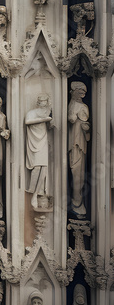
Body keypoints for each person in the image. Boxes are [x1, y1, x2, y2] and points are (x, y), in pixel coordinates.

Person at [25, 94, 53, 208]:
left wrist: (50, 120)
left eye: (45, 101)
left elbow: (52, 127)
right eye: (41, 101)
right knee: (37, 167)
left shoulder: (48, 112)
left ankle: (36, 194)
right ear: (38, 102)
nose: (43, 103)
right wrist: (43, 119)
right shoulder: (32, 112)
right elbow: (27, 121)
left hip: (44, 140)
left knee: (44, 167)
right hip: (34, 141)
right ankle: (32, 191)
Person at [67, 82, 90, 216]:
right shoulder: (73, 105)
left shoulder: (83, 106)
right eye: (80, 91)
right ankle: (76, 200)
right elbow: (70, 119)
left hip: (81, 144)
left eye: (84, 91)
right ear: (73, 91)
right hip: (73, 144)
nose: (83, 94)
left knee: (79, 173)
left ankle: (78, 200)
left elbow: (85, 125)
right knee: (75, 171)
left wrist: (87, 128)